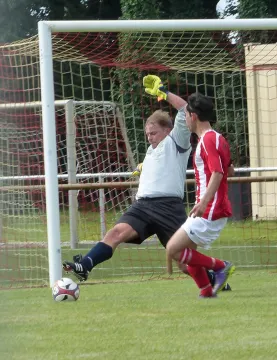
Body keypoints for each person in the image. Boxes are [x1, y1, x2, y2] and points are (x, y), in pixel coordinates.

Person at [63, 75, 231, 291]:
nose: (149, 137)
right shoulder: (151, 151)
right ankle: (85, 265)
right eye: (147, 134)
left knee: (182, 262)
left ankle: (216, 278)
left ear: (168, 130)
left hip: (168, 208)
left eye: (153, 133)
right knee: (116, 233)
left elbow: (184, 110)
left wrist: (163, 92)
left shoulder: (177, 140)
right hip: (143, 206)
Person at [164, 90, 235, 298]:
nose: (185, 120)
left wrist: (204, 202)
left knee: (173, 249)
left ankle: (221, 266)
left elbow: (218, 172)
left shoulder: (207, 140)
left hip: (210, 209)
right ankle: (206, 291)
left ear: (193, 116)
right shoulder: (216, 138)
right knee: (185, 260)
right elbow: (229, 170)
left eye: (185, 115)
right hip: (208, 206)